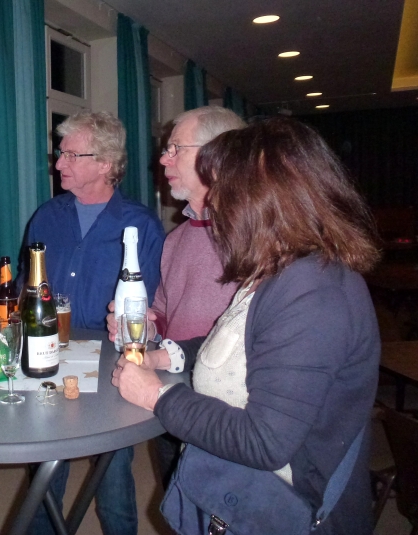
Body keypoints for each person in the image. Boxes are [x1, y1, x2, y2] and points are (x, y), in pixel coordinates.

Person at [112, 117, 381, 534]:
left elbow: (264, 441)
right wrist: (167, 356)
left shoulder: (313, 292)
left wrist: (157, 395)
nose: (215, 205)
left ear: (260, 200)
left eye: (223, 191)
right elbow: (237, 345)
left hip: (289, 509)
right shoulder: (277, 269)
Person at [25, 111, 165, 535]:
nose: (58, 163)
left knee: (114, 473)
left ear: (105, 163)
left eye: (71, 155)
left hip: (112, 362)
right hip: (51, 353)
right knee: (45, 467)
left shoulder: (140, 224)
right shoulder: (46, 216)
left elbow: (151, 307)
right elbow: (30, 289)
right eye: (60, 153)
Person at [107, 106, 246, 486]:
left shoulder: (255, 240)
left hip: (227, 409)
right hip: (170, 390)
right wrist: (143, 324)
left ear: (218, 155)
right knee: (177, 499)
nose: (163, 159)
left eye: (175, 149)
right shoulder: (178, 237)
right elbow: (165, 312)